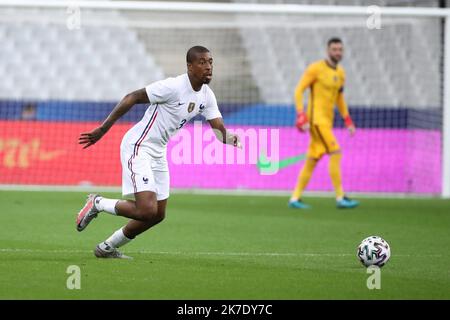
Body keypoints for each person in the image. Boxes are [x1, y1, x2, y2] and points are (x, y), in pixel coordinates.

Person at [76, 46, 241, 258]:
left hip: (158, 151)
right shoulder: (173, 86)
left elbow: (219, 129)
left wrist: (230, 138)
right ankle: (97, 203)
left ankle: (107, 247)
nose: (208, 67)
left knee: (157, 215)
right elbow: (132, 97)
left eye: (210, 62)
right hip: (139, 146)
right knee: (146, 210)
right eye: (202, 62)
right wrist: (103, 129)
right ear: (190, 66)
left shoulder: (207, 96)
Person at [289, 38, 359, 210]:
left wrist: (347, 119)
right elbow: (299, 90)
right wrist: (301, 114)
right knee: (336, 152)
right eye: (334, 49)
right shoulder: (316, 69)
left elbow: (339, 98)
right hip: (316, 121)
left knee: (312, 159)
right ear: (328, 50)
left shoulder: (341, 73)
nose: (338, 52)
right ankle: (340, 197)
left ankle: (295, 198)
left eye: (340, 49)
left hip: (327, 122)